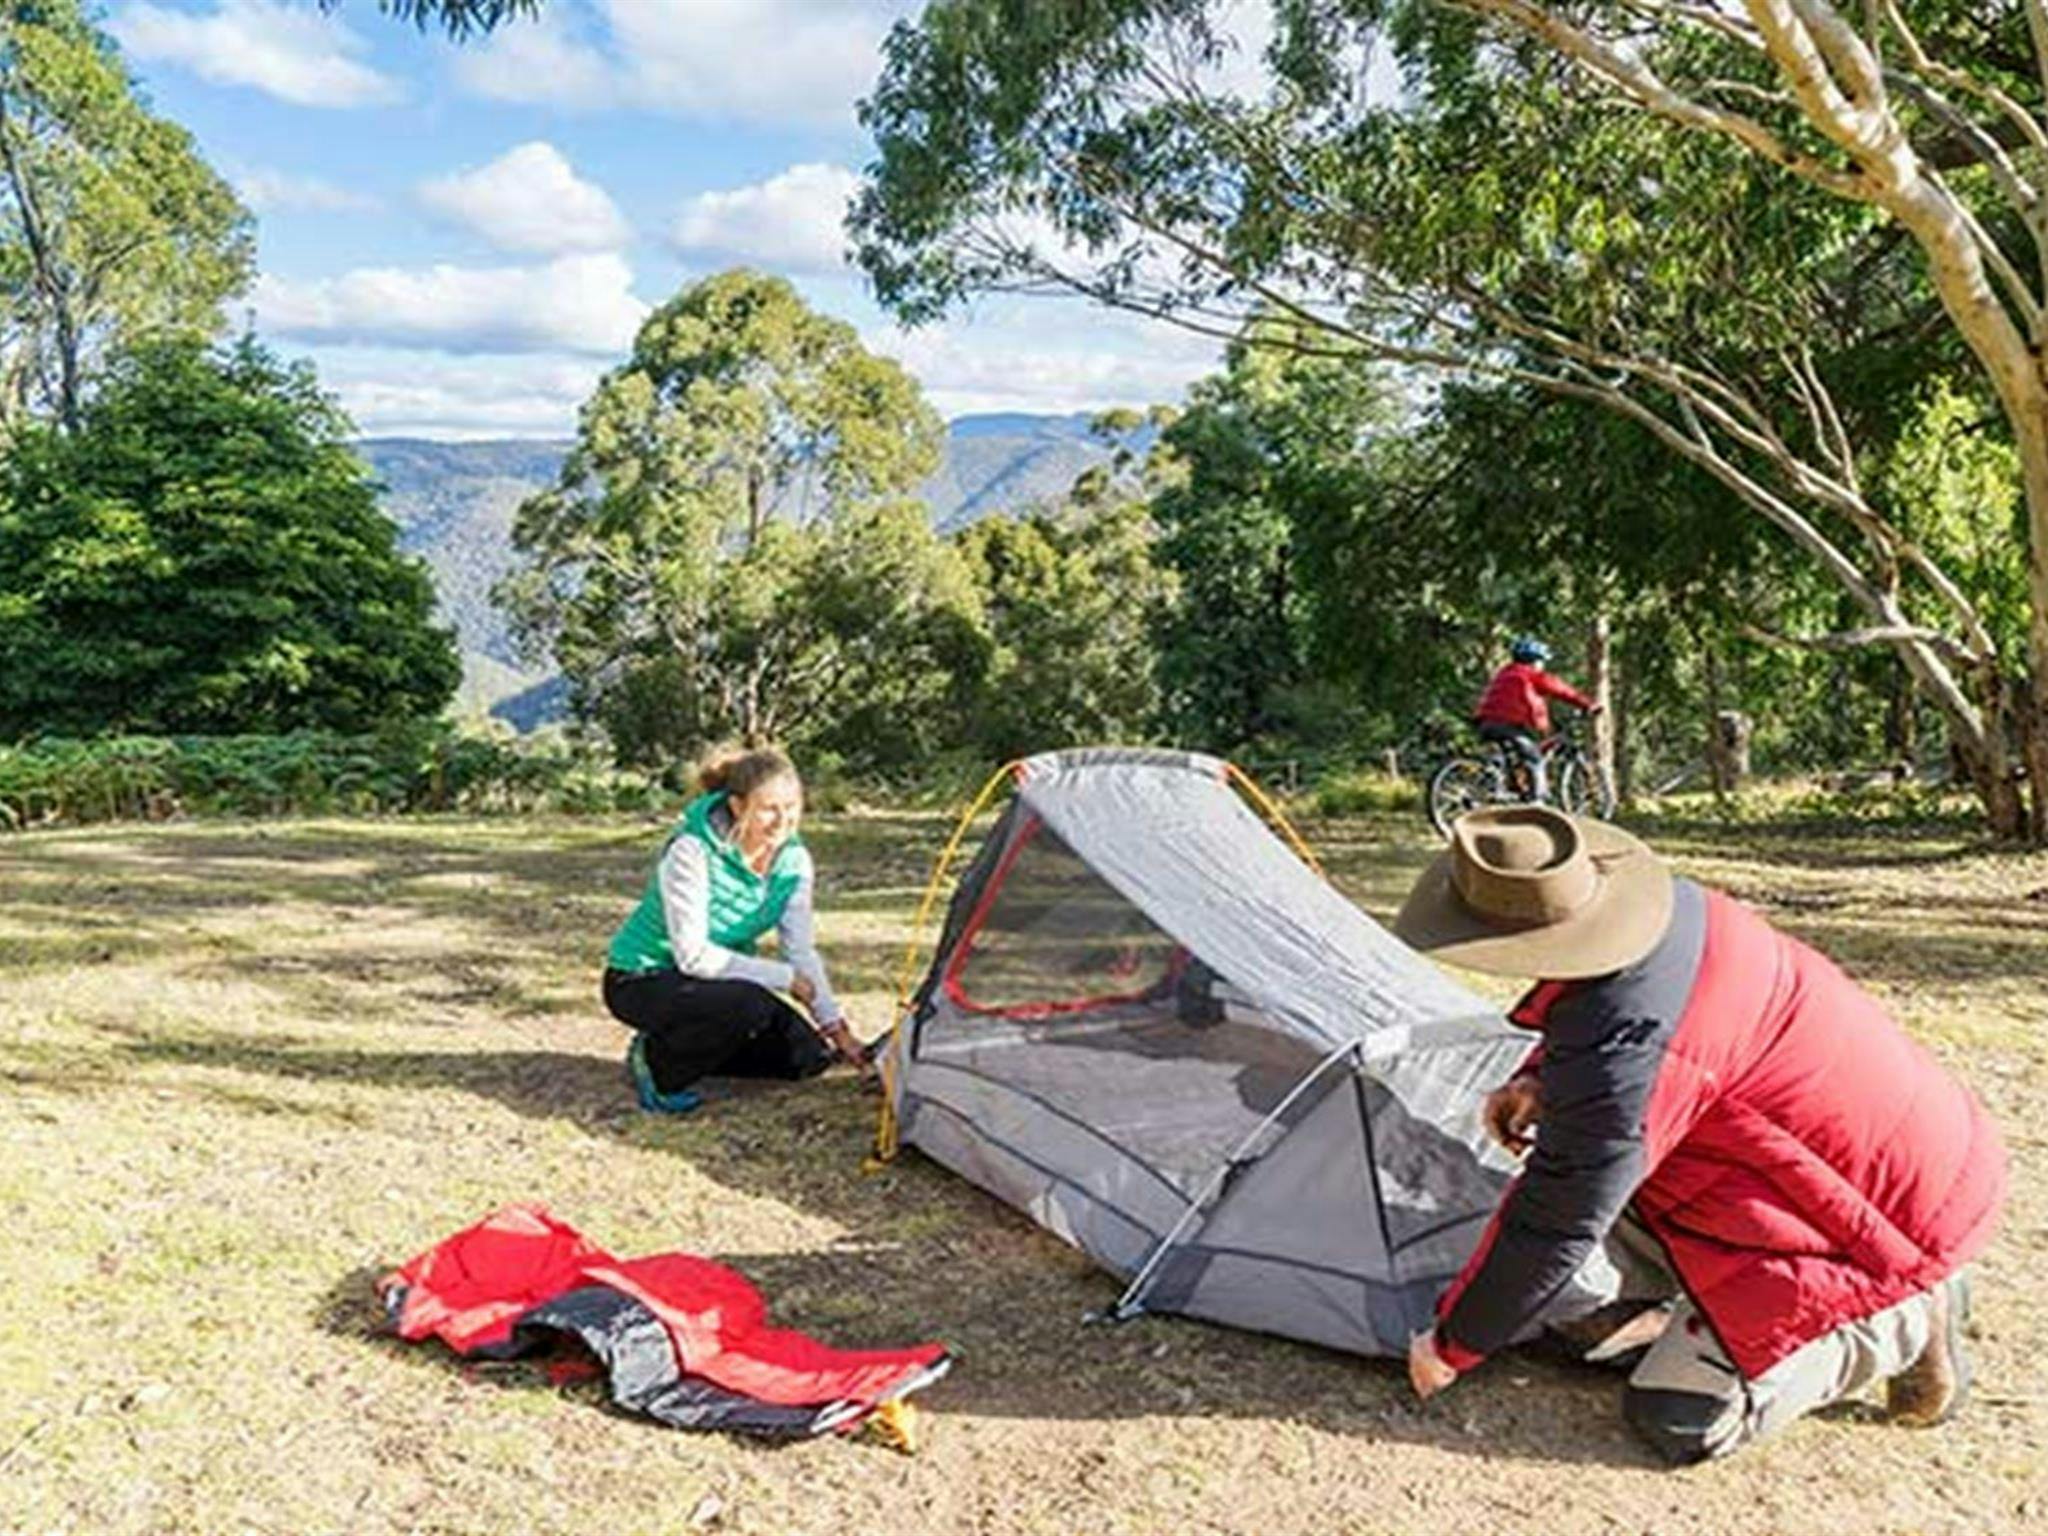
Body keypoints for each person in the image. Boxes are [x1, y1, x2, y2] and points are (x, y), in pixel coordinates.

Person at [1390, 806, 2006, 1464]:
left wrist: (1454, 1343)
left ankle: (1904, 1317)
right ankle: (1710, 1304)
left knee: (1678, 1417)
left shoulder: (1630, 1053)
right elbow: (1631, 1041)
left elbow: (1558, 1216)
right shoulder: (1677, 914)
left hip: (1887, 1228)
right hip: (1899, 1164)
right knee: (1599, 1187)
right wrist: (1543, 1078)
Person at [602, 746, 866, 1114]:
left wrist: (837, 1030)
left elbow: (801, 950)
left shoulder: (793, 861)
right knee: (748, 1003)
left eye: (792, 807)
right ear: (738, 806)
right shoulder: (691, 851)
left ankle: (687, 1041)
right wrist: (783, 978)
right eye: (769, 809)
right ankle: (658, 1064)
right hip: (642, 979)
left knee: (807, 1058)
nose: (782, 821)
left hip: (714, 985)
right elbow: (693, 956)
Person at [1473, 636, 1598, 803]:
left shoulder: (1504, 673)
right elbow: (1562, 690)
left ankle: (1502, 784)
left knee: (1513, 757)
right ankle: (1538, 801)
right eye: (1542, 661)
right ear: (1535, 661)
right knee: (1534, 757)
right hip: (1509, 724)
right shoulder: (1532, 675)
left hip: (1486, 722)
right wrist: (1588, 704)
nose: (1543, 665)